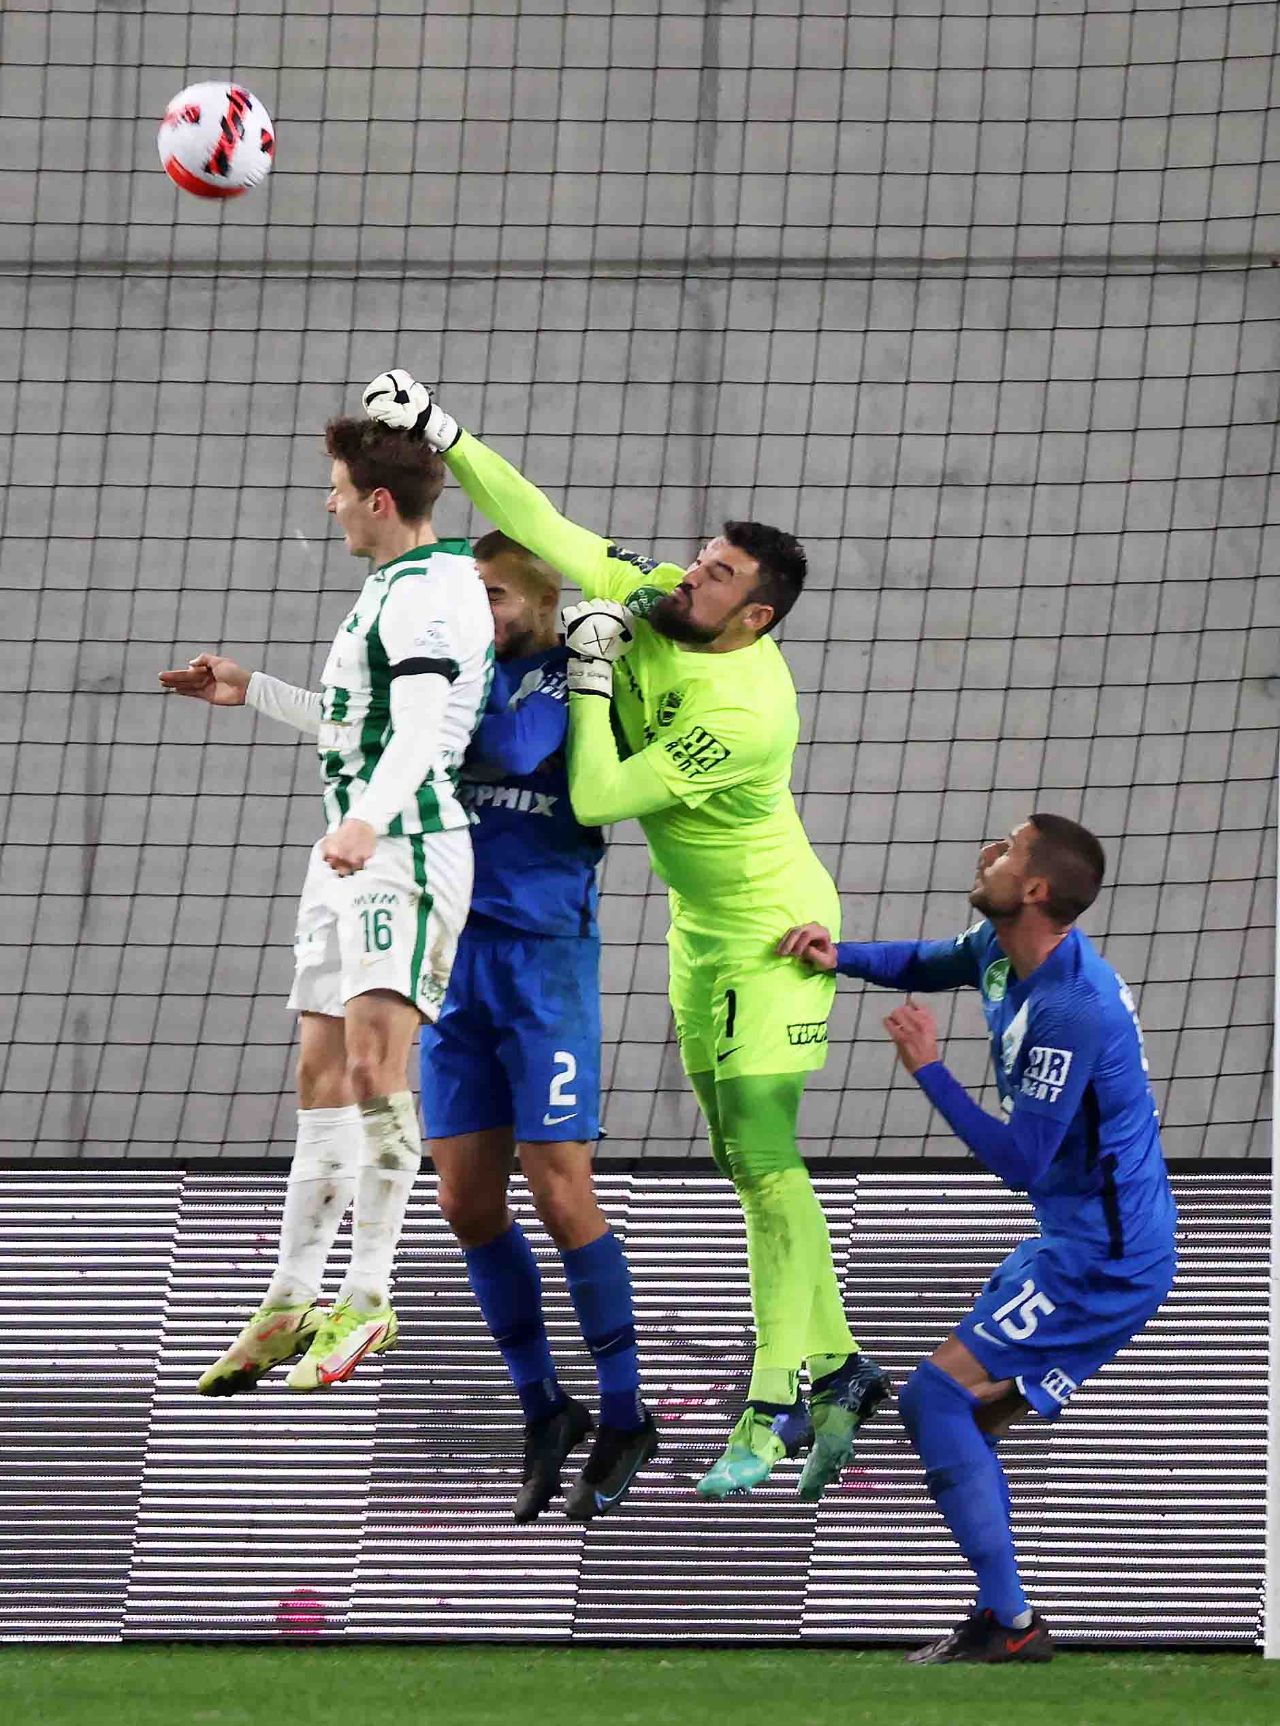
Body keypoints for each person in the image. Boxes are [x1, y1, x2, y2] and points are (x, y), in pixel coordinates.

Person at [363, 370, 889, 1501]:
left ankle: (771, 1400)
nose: (689, 575)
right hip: (695, 930)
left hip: (774, 932)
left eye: (716, 576)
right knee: (739, 1162)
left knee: (762, 1159)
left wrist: (594, 672)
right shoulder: (654, 597)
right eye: (700, 558)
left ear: (754, 617)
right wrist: (446, 432)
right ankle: (842, 1364)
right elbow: (542, 521)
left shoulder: (746, 711)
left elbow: (597, 797)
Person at [781, 813, 1178, 1664]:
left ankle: (1010, 1621)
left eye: (1007, 849)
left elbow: (1023, 1162)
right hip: (1077, 1240)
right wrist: (839, 956)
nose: (987, 852)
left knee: (938, 1401)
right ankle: (1003, 1615)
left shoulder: (1073, 1008)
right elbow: (928, 961)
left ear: (1034, 889)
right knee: (955, 1415)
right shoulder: (1002, 948)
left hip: (1105, 1258)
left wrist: (929, 1069)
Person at [161, 416, 493, 1394]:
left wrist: (367, 822)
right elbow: (362, 723)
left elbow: (421, 731)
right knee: (319, 1071)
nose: (330, 503)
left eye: (339, 490)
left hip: (406, 851)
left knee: (374, 1067)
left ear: (377, 500)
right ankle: (290, 1296)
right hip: (351, 853)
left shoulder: (427, 594)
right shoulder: (389, 586)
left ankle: (370, 1293)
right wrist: (254, 689)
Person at [424, 530, 655, 1522]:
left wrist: (442, 695)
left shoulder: (569, 676)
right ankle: (543, 1407)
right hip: (450, 959)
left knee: (560, 1191)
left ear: (540, 600)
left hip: (543, 964)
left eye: (492, 595)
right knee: (465, 1203)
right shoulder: (453, 675)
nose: (478, 613)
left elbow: (517, 750)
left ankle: (626, 1412)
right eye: (468, 596)